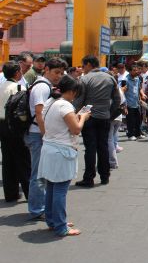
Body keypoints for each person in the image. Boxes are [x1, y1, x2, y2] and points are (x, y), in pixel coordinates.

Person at [38, 75, 90, 237]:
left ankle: (54, 221)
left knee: (52, 188)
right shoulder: (65, 106)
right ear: (73, 91)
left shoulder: (50, 102)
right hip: (61, 150)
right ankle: (60, 226)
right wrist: (83, 118)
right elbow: (76, 129)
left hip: (49, 147)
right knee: (60, 190)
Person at [25, 57, 66, 219]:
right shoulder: (42, 87)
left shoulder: (45, 85)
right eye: (56, 72)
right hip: (37, 134)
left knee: (42, 172)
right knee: (38, 173)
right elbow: (39, 113)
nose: (59, 76)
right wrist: (46, 135)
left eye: (61, 73)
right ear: (46, 69)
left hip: (38, 133)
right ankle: (36, 209)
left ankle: (40, 207)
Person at [73, 55, 121, 188]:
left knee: (90, 149)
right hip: (104, 118)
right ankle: (105, 176)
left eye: (83, 66)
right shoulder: (110, 78)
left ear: (88, 64)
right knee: (103, 147)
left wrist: (74, 116)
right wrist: (110, 113)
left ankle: (89, 178)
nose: (82, 69)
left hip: (89, 118)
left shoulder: (85, 79)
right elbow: (117, 100)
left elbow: (79, 101)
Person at [0, 61, 30, 202]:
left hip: (2, 125)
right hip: (15, 126)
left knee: (7, 160)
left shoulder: (1, 86)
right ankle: (30, 193)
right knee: (23, 160)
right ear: (17, 73)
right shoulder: (19, 87)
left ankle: (11, 194)